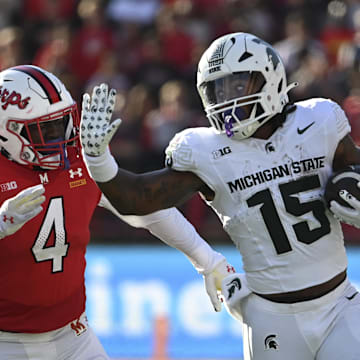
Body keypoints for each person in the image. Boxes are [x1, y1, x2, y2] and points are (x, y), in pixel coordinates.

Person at [80, 32, 360, 360]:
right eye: (218, 90)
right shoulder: (207, 151)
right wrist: (98, 159)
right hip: (273, 316)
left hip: (339, 304)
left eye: (237, 86)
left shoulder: (318, 121)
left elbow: (354, 167)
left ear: (268, 78)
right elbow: (137, 199)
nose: (227, 100)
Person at [0, 64, 235, 360]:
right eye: (46, 130)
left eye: (63, 123)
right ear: (8, 130)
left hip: (73, 335)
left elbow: (144, 210)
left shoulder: (78, 161)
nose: (61, 137)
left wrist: (207, 259)